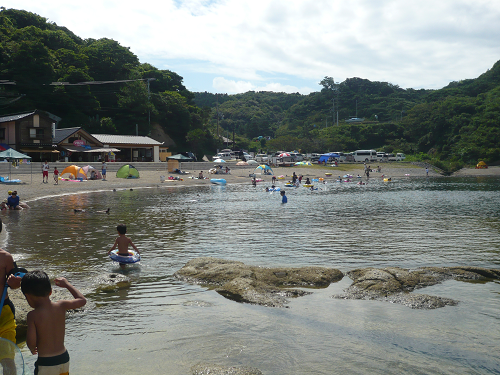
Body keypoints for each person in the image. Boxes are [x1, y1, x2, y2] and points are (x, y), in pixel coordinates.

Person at [21, 270, 86, 375]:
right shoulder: (61, 305)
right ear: (50, 291)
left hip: (47, 362)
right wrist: (67, 284)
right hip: (64, 357)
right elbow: (82, 300)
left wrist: (32, 348)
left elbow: (31, 342)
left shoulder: (32, 315)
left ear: (27, 296)